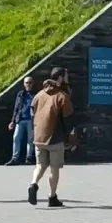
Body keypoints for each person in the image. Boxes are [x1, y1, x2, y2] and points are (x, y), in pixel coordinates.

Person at [28, 67, 75, 208]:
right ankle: (52, 197)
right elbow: (68, 120)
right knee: (54, 169)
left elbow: (32, 116)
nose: (67, 78)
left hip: (38, 137)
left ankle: (33, 184)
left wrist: (35, 132)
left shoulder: (38, 95)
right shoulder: (62, 96)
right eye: (66, 76)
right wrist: (71, 138)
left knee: (40, 165)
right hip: (55, 137)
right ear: (60, 77)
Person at [6, 76, 36, 165]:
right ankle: (15, 158)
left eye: (30, 82)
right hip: (20, 119)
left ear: (32, 83)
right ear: (24, 84)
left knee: (30, 140)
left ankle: (28, 158)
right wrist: (13, 121)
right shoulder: (21, 94)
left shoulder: (35, 95)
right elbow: (16, 108)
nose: (28, 84)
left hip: (30, 120)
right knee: (16, 138)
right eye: (27, 83)